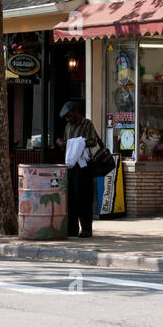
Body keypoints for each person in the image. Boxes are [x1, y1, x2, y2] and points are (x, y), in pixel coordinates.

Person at [59, 101, 101, 238]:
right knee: (71, 198)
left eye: (69, 116)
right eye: (66, 117)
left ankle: (86, 229)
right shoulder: (67, 127)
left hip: (84, 166)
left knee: (84, 198)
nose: (68, 119)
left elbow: (93, 141)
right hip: (71, 166)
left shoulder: (87, 124)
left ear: (76, 112)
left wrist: (79, 142)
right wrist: (62, 144)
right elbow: (66, 145)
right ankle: (72, 228)